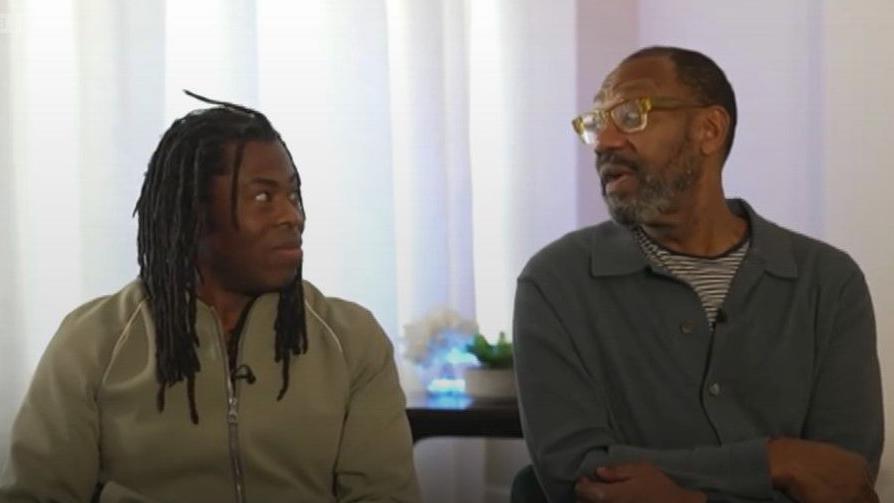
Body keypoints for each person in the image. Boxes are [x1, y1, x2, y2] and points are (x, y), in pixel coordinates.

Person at [0, 92, 421, 502]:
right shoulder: (93, 341)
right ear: (193, 214)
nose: (292, 216)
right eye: (263, 197)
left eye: (292, 194)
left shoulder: (352, 340)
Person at [513, 46, 883, 503]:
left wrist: (688, 500)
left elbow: (844, 481)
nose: (605, 140)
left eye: (630, 115)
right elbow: (574, 472)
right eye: (595, 123)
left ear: (708, 130)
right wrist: (776, 459)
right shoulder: (556, 281)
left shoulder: (828, 281)